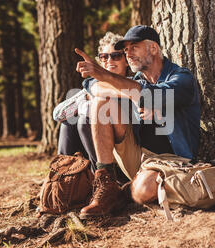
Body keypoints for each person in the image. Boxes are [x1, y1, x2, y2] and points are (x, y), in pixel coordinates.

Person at [75, 25, 201, 219]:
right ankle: (106, 184)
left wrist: (142, 96)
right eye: (125, 50)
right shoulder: (138, 81)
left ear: (153, 48)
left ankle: (125, 191)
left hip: (172, 161)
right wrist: (135, 95)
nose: (128, 53)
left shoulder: (182, 78)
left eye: (134, 47)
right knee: (102, 105)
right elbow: (93, 86)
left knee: (141, 191)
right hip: (139, 156)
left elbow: (151, 94)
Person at [56, 32, 130, 173]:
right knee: (69, 122)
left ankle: (104, 179)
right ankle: (62, 178)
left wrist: (87, 104)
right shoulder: (93, 85)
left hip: (122, 150)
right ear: (99, 61)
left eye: (116, 56)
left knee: (84, 120)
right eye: (104, 57)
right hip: (93, 145)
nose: (109, 61)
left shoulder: (133, 83)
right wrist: (85, 100)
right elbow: (58, 114)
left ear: (126, 60)